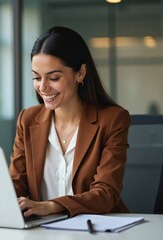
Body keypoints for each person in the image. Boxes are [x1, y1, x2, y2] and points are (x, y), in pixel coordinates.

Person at [9, 26, 130, 218]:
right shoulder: (28, 119)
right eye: (36, 77)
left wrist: (50, 206)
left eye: (54, 77)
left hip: (96, 228)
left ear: (80, 73)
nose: (43, 87)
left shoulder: (113, 120)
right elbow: (16, 182)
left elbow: (106, 193)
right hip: (42, 229)